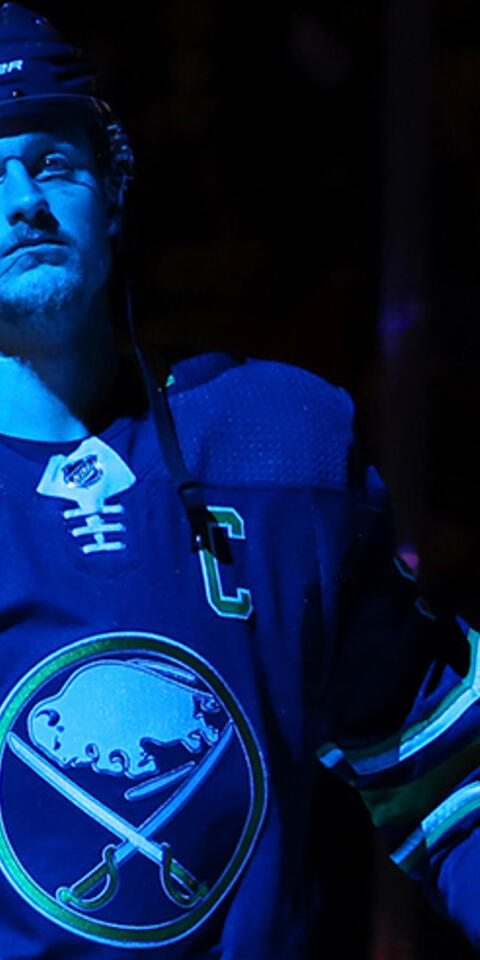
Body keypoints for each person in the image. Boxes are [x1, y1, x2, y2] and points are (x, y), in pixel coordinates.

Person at [0, 3, 477, 958]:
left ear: (113, 185)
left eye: (53, 162)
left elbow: (442, 766)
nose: (23, 200)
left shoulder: (278, 446)